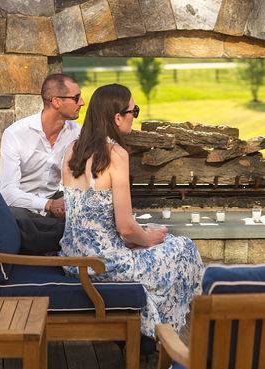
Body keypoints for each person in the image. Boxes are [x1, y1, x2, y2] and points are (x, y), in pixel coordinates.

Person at [60, 83, 203, 340]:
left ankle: (158, 330)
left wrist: (138, 239)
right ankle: (170, 336)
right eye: (133, 111)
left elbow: (95, 223)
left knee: (164, 246)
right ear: (117, 118)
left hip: (73, 260)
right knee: (183, 248)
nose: (135, 117)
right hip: (104, 264)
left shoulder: (72, 149)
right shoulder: (115, 154)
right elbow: (125, 228)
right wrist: (148, 238)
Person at [0, 73, 84, 254]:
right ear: (56, 102)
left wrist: (67, 202)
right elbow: (7, 193)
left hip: (56, 199)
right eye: (76, 98)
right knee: (16, 219)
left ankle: (61, 238)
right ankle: (67, 238)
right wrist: (49, 205)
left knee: (85, 211)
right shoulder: (15, 134)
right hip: (23, 207)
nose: (82, 102)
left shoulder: (77, 134)